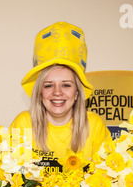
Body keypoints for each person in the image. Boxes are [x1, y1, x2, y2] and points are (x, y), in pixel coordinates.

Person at [9, 22, 111, 163]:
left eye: (66, 85)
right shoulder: (24, 124)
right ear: (39, 93)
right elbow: (16, 175)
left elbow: (107, 175)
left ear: (77, 93)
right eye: (49, 85)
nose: (57, 92)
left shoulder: (94, 125)